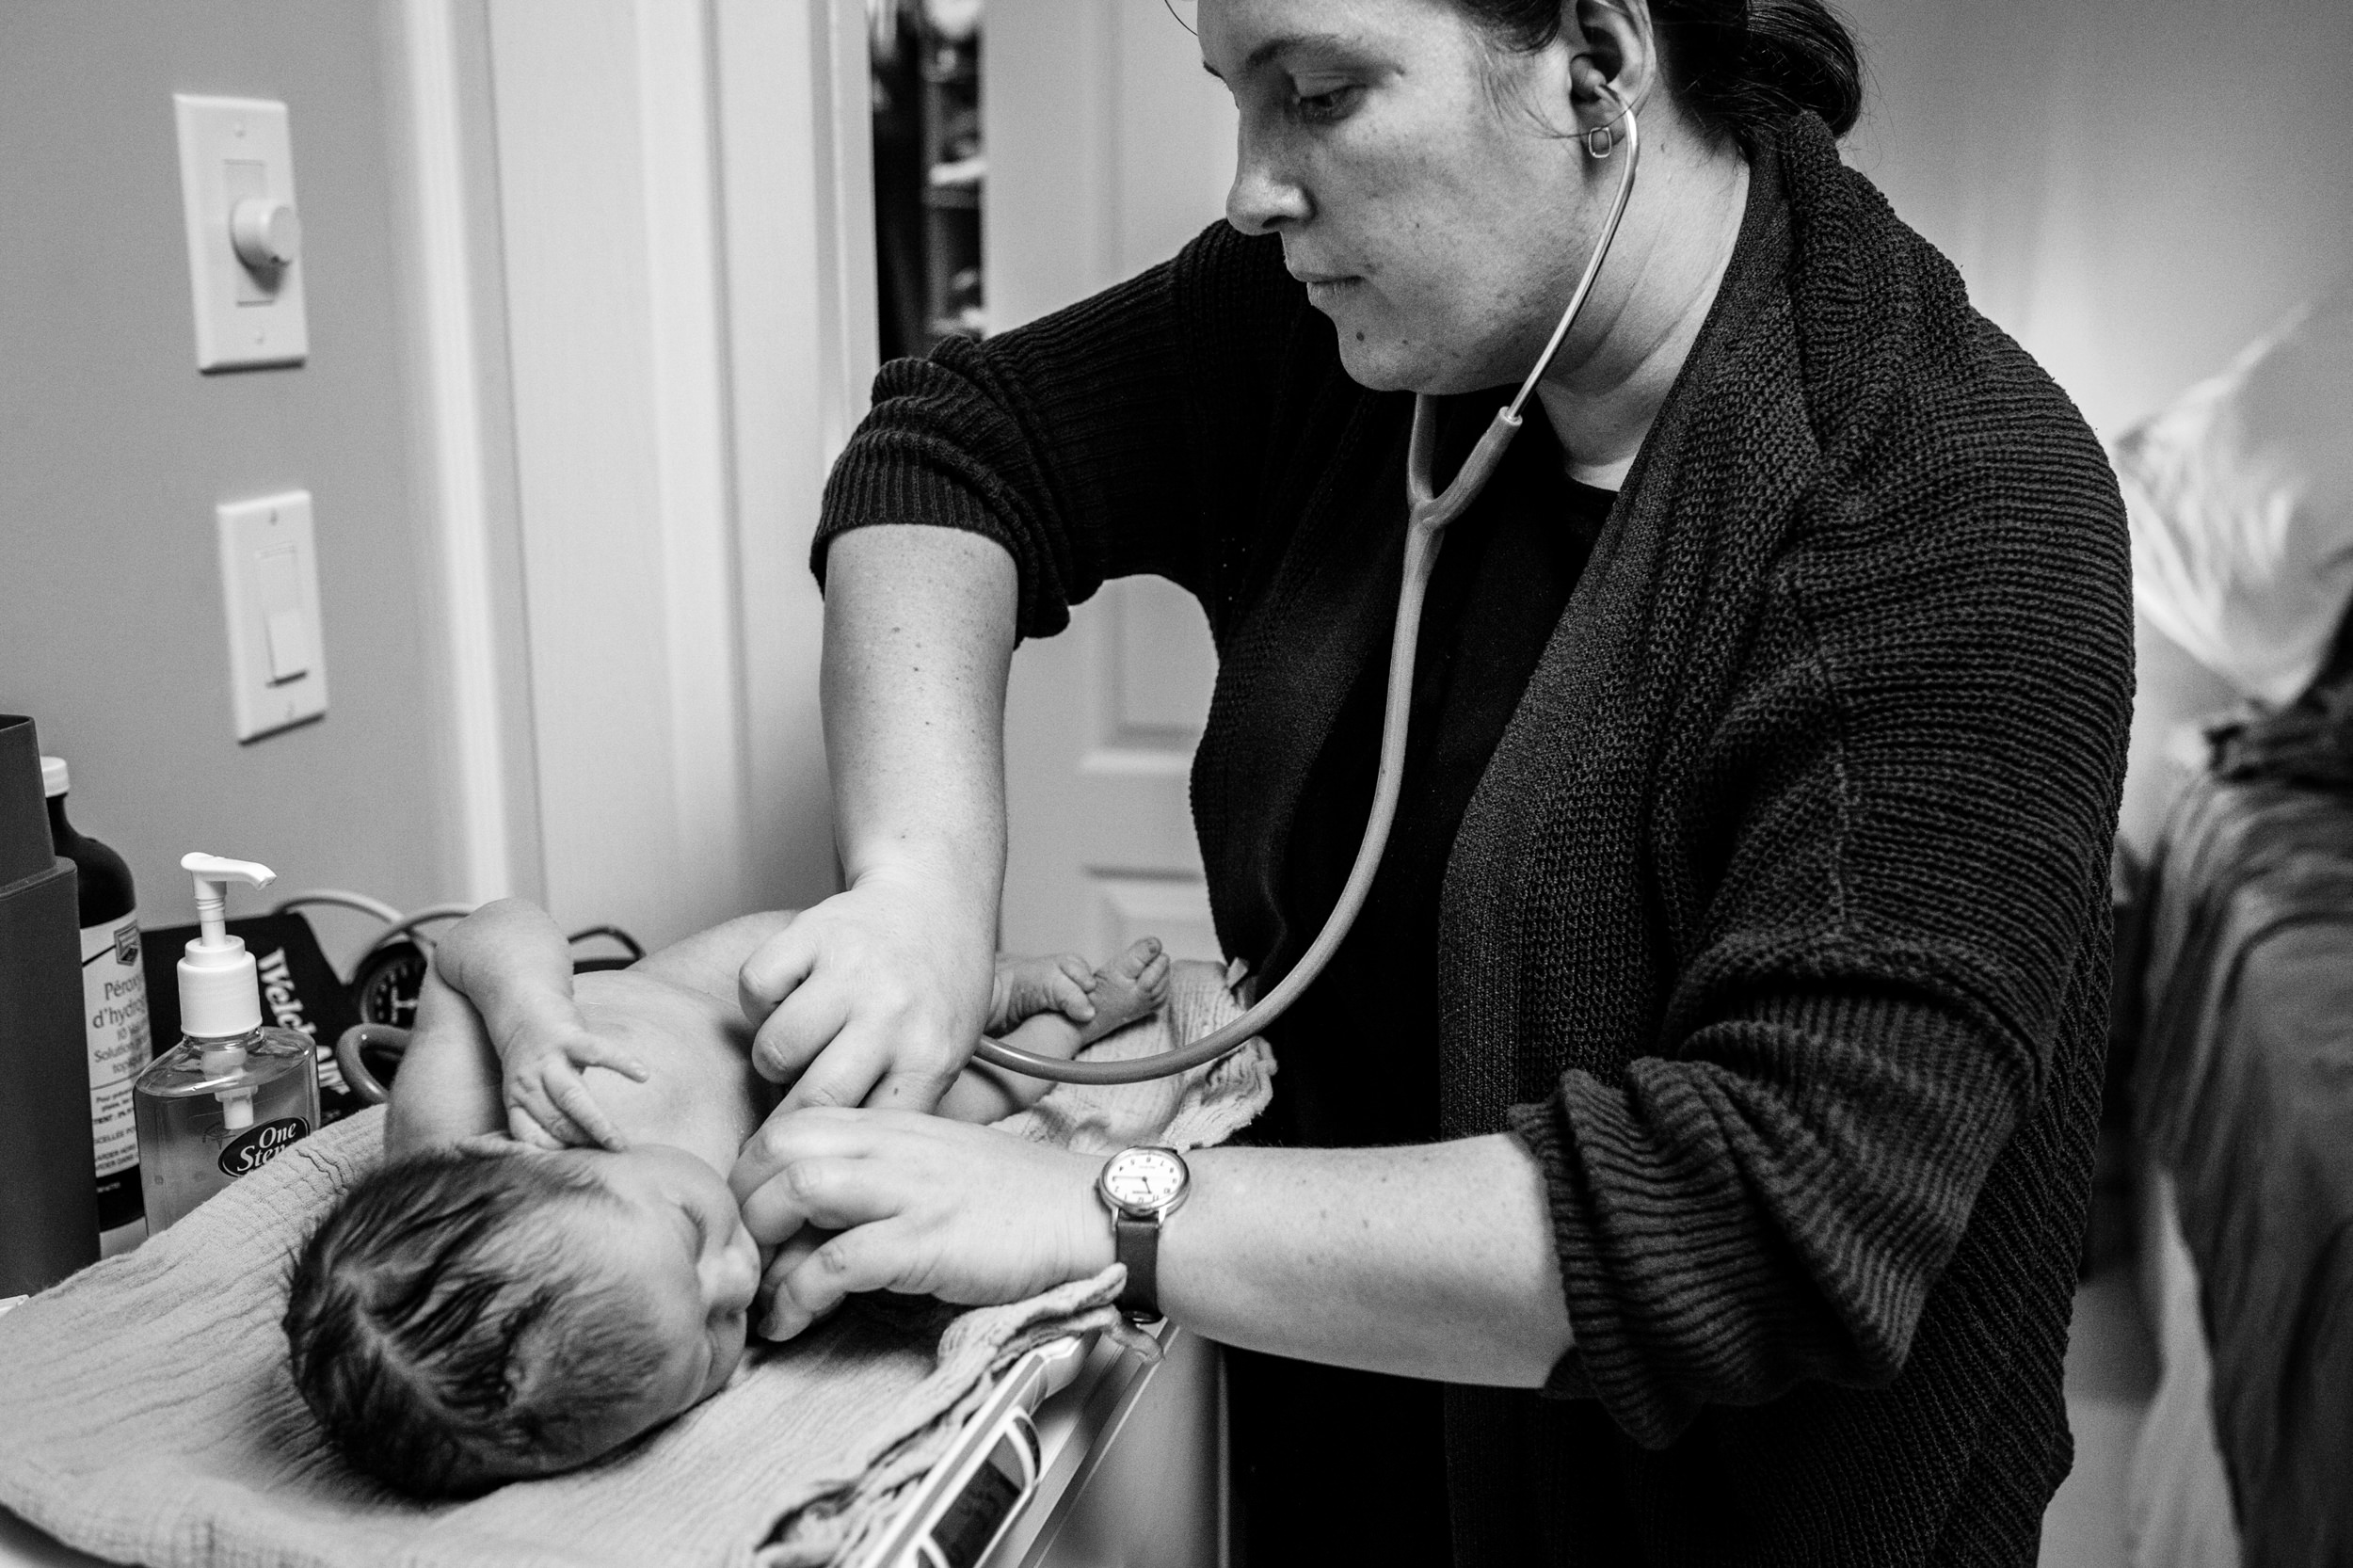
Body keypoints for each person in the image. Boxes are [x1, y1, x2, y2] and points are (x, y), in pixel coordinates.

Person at [720, 0, 2136, 1562]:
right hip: (1355, 1459)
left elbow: (1770, 1230)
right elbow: (955, 450)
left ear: (1594, 62)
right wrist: (918, 885)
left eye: (1321, 97)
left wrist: (1105, 1211)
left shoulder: (1954, 499)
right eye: (1234, 96)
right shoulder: (1335, 329)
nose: (1254, 185)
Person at [280, 900, 1171, 1496]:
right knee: (952, 1117)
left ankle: (995, 982)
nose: (735, 1275)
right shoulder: (728, 1268)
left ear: (512, 1161)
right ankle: (1074, 1023)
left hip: (747, 986)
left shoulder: (459, 1111)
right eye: (711, 1350)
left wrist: (528, 1018)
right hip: (838, 1106)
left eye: (690, 1233)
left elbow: (486, 935)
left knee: (846, 960)